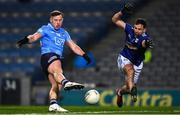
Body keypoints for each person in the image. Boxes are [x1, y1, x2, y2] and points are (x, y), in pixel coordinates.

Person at [16, 10, 91, 112]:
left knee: (56, 85)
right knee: (58, 71)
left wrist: (84, 55)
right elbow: (34, 37)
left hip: (55, 58)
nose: (58, 22)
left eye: (60, 20)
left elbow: (73, 46)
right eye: (55, 20)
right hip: (48, 56)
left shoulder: (64, 33)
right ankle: (66, 82)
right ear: (51, 20)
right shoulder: (45, 29)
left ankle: (53, 104)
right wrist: (25, 40)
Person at [112, 3, 153, 107]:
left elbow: (144, 44)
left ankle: (120, 92)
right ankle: (133, 91)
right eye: (135, 28)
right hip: (124, 58)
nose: (136, 30)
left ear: (144, 30)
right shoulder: (129, 29)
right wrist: (122, 11)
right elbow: (115, 20)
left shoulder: (145, 39)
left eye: (139, 29)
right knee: (130, 69)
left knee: (128, 87)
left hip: (137, 63)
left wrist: (147, 44)